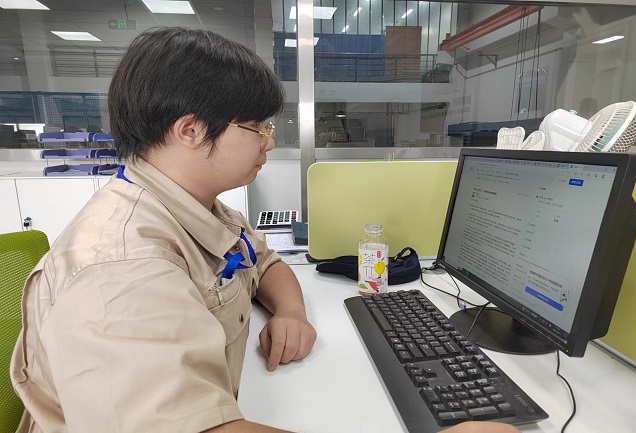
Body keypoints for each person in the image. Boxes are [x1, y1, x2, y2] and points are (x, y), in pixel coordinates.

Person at [9, 27, 519, 433]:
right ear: (190, 130)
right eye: (257, 127)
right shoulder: (120, 269)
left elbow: (264, 261)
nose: (269, 143)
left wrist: (291, 312)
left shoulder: (198, 208)